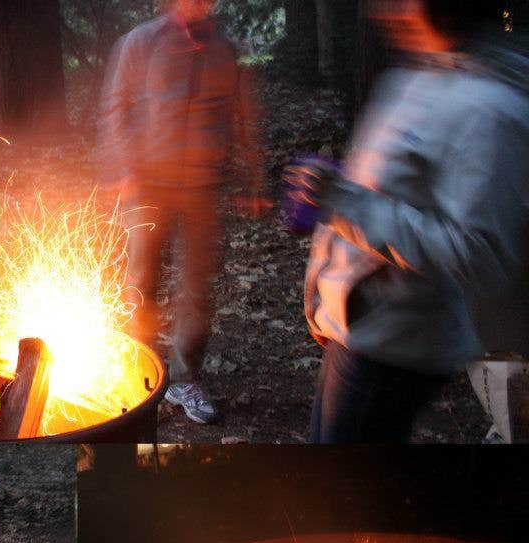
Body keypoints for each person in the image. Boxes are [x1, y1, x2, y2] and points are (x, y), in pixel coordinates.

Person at [293, 0, 529, 442]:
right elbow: (375, 196)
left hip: (395, 348)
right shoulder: (416, 76)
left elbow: (477, 254)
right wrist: (324, 303)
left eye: (400, 1)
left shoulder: (492, 108)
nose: (383, 13)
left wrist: (344, 200)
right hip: (356, 329)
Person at [98, 0, 268, 424]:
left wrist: (254, 181)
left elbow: (244, 117)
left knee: (196, 287)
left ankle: (183, 376)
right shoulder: (142, 42)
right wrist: (124, 169)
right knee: (141, 280)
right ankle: (137, 372)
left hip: (202, 188)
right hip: (149, 185)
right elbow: (115, 108)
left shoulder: (224, 51)